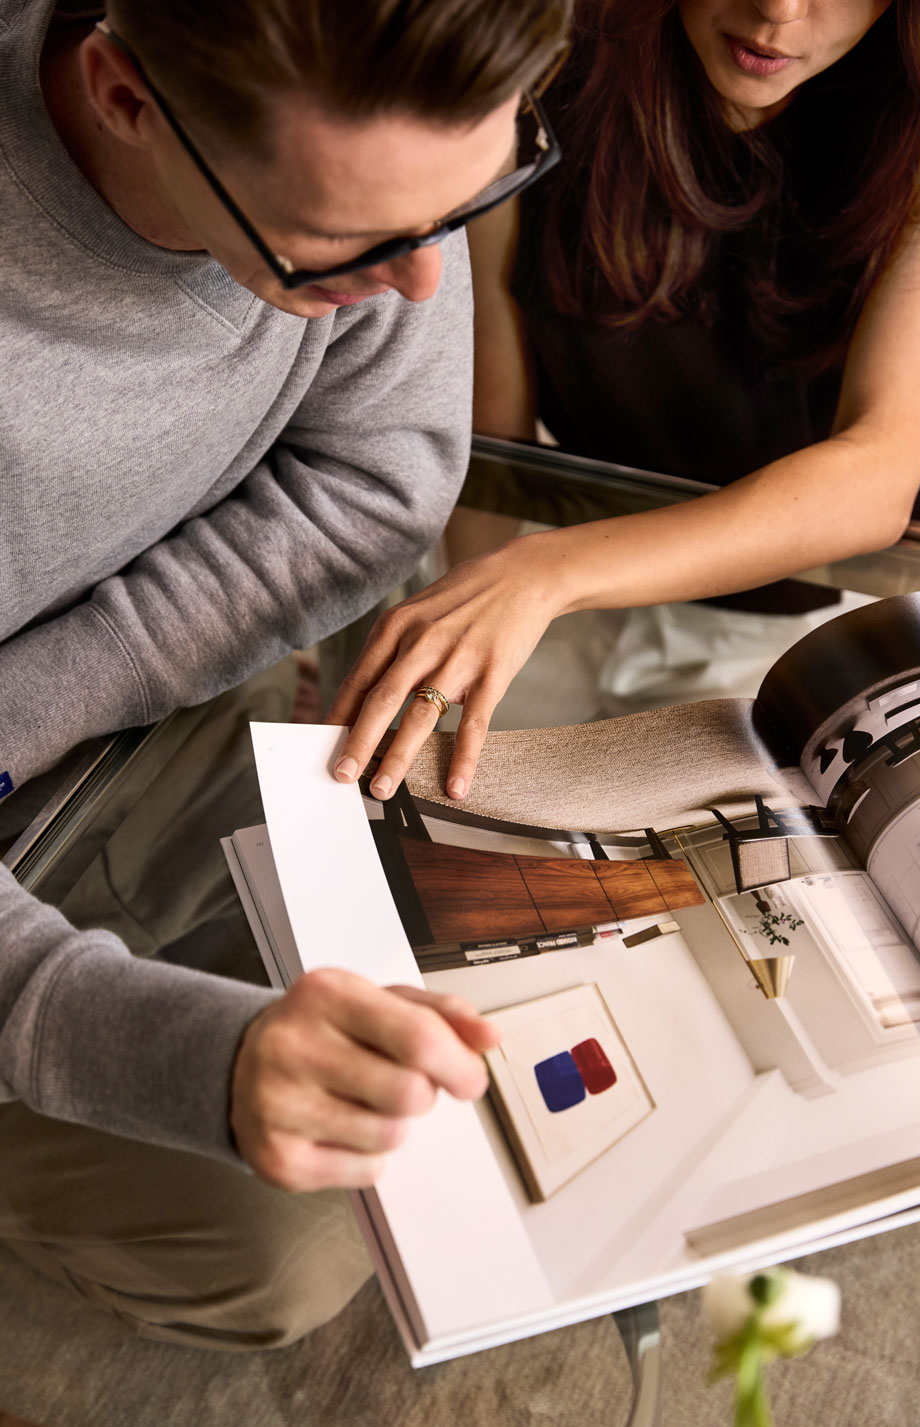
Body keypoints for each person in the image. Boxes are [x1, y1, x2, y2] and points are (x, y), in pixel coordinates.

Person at [0, 0, 570, 1354]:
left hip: (106, 735)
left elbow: (378, 484)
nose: (430, 289)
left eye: (468, 202)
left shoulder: (363, 170)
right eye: (345, 249)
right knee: (308, 1235)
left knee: (517, 1004)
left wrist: (28, 711)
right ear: (122, 94)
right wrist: (199, 1060)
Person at [329, 0, 920, 803]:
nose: (778, 10)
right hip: (567, 542)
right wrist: (477, 589)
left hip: (797, 606)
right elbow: (493, 406)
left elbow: (876, 473)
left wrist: (542, 574)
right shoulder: (543, 53)